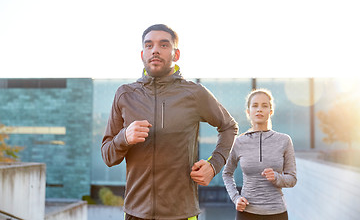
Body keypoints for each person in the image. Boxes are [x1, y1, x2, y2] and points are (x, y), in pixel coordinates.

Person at [101, 24, 238, 220]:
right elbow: (108, 156)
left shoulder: (194, 93)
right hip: (135, 213)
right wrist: (124, 137)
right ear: (142, 54)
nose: (155, 50)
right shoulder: (125, 94)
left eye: (163, 45)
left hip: (182, 213)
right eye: (149, 45)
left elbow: (229, 127)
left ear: (176, 54)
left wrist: (214, 164)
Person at [222, 89, 297, 220]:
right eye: (255, 106)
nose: (259, 109)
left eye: (264, 105)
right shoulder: (239, 142)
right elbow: (227, 173)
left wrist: (277, 177)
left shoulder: (284, 140)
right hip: (246, 213)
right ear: (248, 112)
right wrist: (236, 197)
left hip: (277, 213)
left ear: (271, 111)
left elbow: (292, 179)